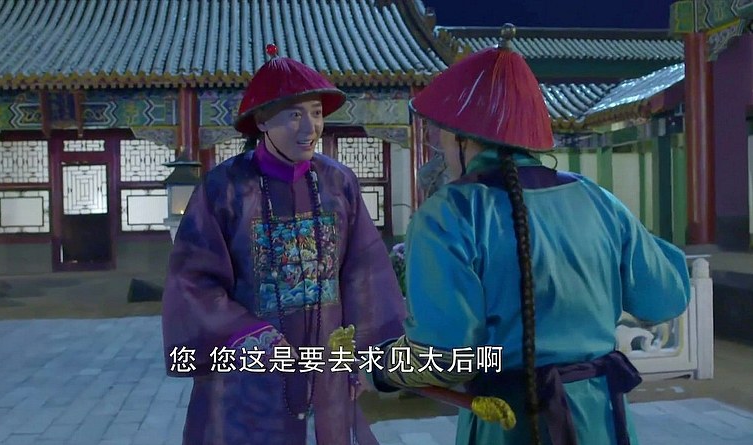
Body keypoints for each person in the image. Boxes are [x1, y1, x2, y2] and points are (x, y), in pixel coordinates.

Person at [368, 25, 692, 445]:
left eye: (441, 138)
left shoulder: (449, 213)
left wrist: (377, 367)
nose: (440, 151)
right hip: (600, 419)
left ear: (462, 138)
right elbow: (665, 297)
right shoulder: (596, 199)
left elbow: (445, 356)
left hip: (510, 422)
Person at [162, 44, 406, 445]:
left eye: (316, 113)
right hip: (250, 373)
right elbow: (194, 281)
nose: (310, 127)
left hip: (327, 366)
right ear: (261, 120)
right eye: (294, 115)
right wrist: (250, 334)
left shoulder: (338, 183)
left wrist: (367, 354)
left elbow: (363, 271)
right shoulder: (225, 188)